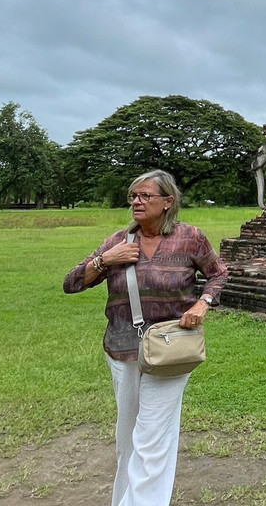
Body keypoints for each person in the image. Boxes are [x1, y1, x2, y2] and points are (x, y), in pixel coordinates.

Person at [64, 169, 229, 506]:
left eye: (145, 196)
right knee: (128, 437)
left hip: (171, 350)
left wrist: (203, 302)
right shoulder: (118, 242)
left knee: (152, 437)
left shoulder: (190, 238)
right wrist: (104, 260)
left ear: (168, 201)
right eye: (133, 196)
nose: (136, 202)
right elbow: (71, 283)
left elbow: (218, 274)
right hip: (122, 348)